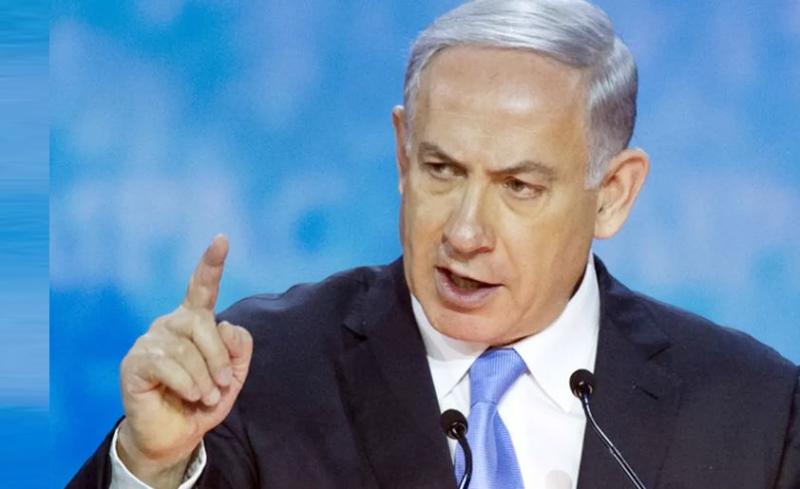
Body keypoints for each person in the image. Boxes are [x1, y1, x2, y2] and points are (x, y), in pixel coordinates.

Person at [69, 0, 799, 488]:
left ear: (612, 193)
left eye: (519, 186)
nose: (465, 232)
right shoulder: (260, 373)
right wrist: (150, 466)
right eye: (442, 170)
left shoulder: (754, 412)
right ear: (402, 153)